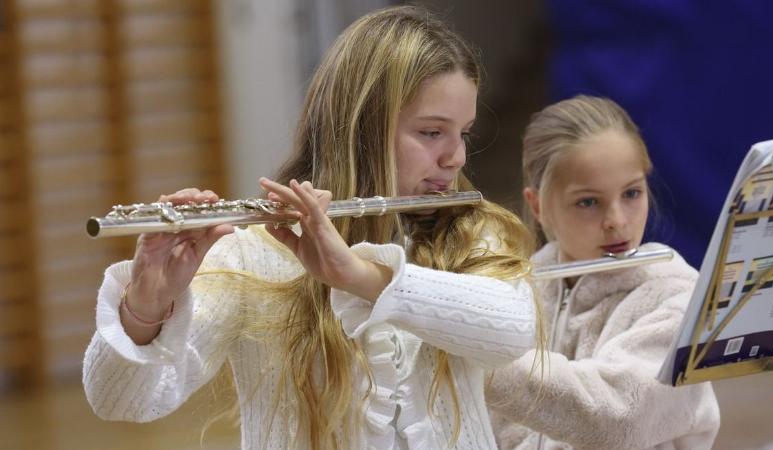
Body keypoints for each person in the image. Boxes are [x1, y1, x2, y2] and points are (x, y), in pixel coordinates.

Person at [82, 6, 539, 450]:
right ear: (365, 130)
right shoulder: (253, 254)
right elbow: (121, 401)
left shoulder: (473, 235)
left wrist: (358, 276)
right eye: (432, 132)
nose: (455, 157)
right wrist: (147, 302)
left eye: (465, 134)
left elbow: (514, 332)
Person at [486, 95, 720, 449]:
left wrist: (475, 356)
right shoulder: (520, 290)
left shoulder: (675, 292)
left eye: (631, 193)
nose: (617, 221)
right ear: (537, 206)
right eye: (589, 202)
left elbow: (618, 418)